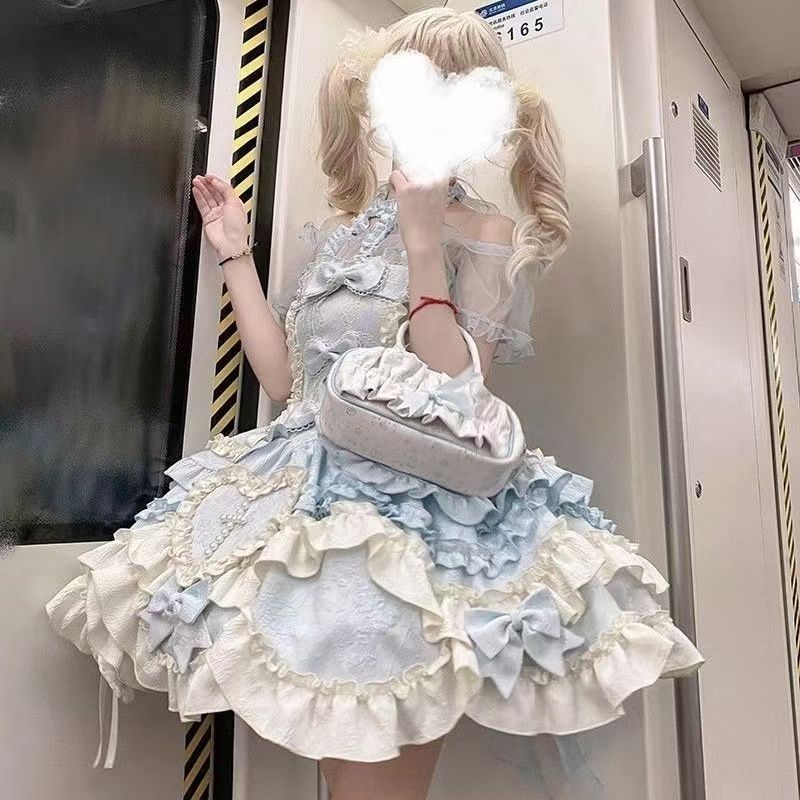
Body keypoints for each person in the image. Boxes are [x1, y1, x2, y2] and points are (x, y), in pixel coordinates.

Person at [47, 8, 703, 799]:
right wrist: (234, 254)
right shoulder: (345, 231)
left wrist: (425, 242)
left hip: (405, 516)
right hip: (298, 500)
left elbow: (460, 387)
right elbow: (286, 383)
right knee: (339, 772)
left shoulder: (483, 228)